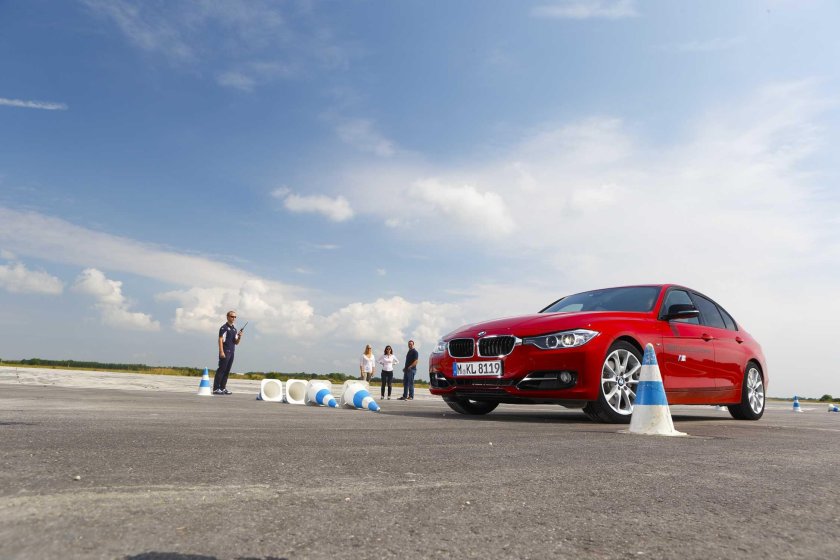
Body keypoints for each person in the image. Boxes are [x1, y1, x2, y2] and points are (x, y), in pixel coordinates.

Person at [214, 310, 243, 395]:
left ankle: (223, 388)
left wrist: (239, 337)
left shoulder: (234, 329)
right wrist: (221, 351)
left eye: (235, 317)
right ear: (227, 317)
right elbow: (220, 339)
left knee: (227, 371)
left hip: (232, 352)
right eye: (232, 316)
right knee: (221, 370)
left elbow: (236, 343)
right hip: (225, 351)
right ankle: (216, 388)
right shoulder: (224, 328)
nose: (233, 318)